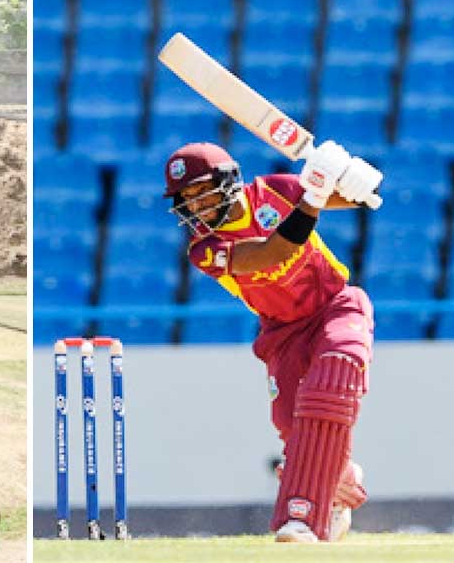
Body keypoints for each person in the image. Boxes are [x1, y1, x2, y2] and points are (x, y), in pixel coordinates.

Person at [164, 140, 383, 542]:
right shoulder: (204, 250)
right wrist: (315, 194)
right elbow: (274, 252)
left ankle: (304, 516)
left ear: (228, 182)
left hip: (334, 304)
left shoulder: (275, 191)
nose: (195, 207)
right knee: (291, 425)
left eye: (201, 193)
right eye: (186, 200)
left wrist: (354, 179)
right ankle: (340, 481)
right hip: (282, 333)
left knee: (332, 376)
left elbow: (359, 202)